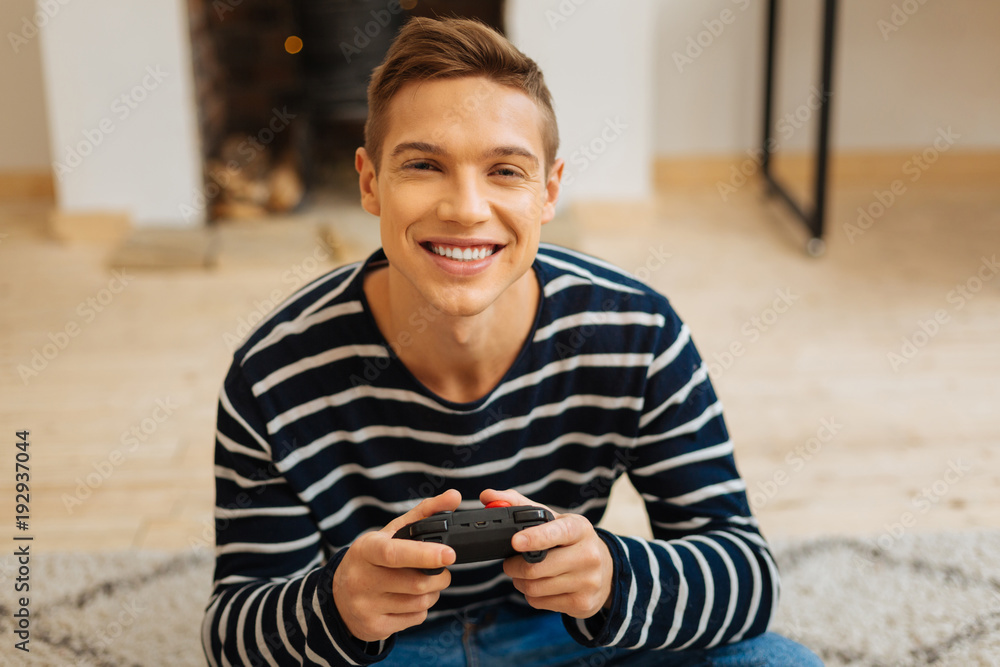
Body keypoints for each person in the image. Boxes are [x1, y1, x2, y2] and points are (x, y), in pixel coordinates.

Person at [202, 16, 822, 667]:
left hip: (564, 634)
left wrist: (612, 575)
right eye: (423, 164)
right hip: (384, 648)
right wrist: (336, 605)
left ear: (548, 192)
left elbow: (747, 572)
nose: (466, 208)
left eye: (505, 170)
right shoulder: (272, 373)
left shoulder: (638, 333)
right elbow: (232, 633)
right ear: (368, 182)